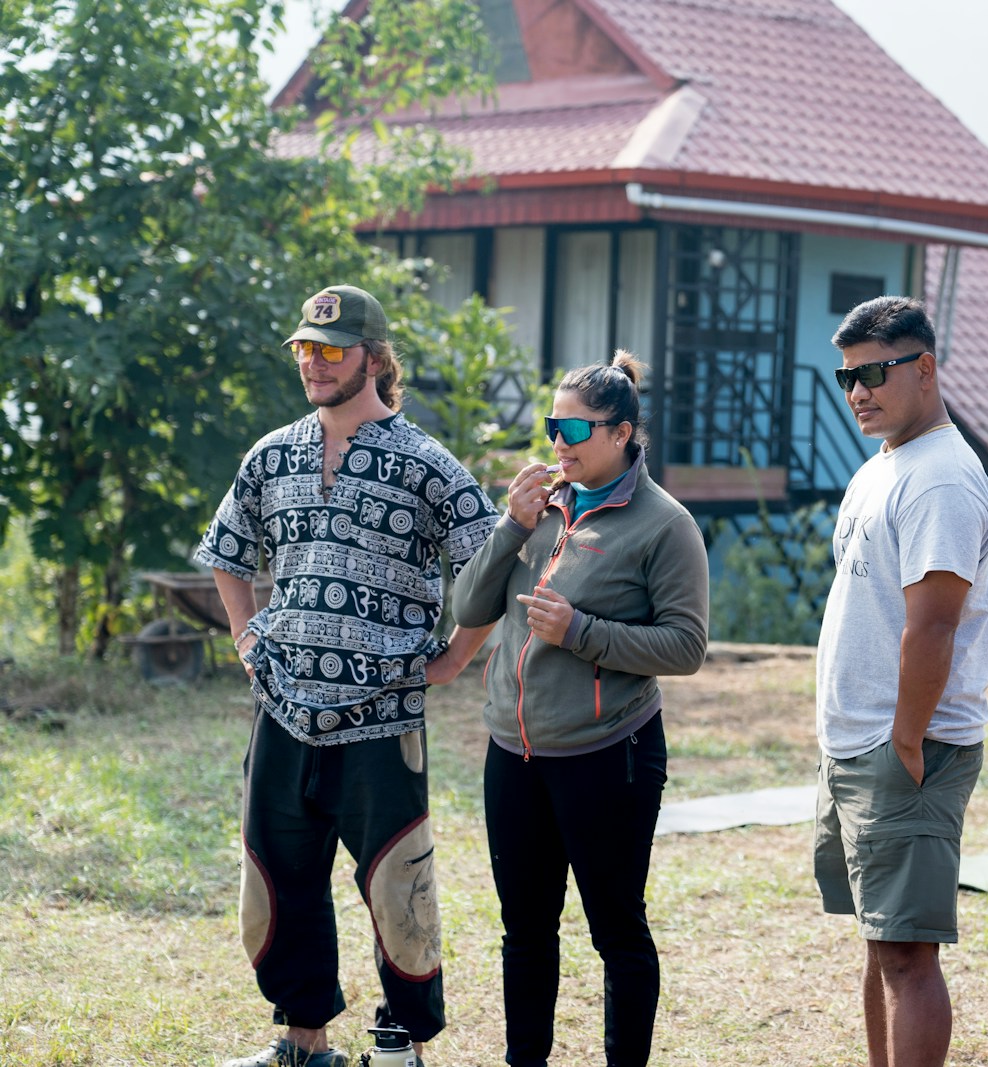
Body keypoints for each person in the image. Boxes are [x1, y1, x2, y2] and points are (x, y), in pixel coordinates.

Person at [199, 285, 500, 1067]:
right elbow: (228, 552)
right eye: (304, 349)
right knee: (275, 877)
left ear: (373, 356)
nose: (314, 362)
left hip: (382, 713)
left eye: (330, 350)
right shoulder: (271, 453)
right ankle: (302, 1041)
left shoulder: (429, 464)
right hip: (284, 708)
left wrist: (459, 653)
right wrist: (244, 636)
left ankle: (400, 1045)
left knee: (399, 883)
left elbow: (492, 566)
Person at [451, 351, 709, 1067]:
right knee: (524, 929)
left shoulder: (666, 525)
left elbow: (686, 646)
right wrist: (509, 524)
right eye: (551, 422)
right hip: (515, 752)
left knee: (616, 931)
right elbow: (468, 606)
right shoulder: (543, 506)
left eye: (575, 426)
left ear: (624, 431)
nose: (558, 439)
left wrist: (582, 633)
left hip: (609, 755)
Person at [813, 296, 988, 1067]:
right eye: (848, 375)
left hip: (905, 751)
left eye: (875, 372)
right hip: (857, 746)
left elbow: (934, 625)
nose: (857, 391)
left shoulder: (943, 480)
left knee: (906, 956)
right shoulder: (886, 464)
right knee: (879, 942)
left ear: (924, 368)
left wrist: (906, 738)